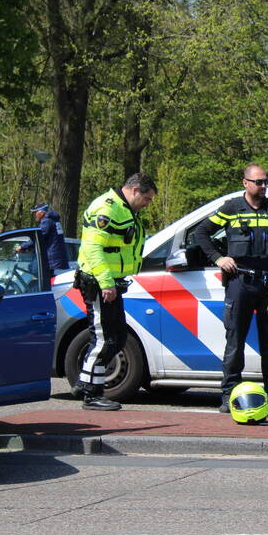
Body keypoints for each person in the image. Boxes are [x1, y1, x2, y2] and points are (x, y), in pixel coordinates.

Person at [194, 164, 268, 413]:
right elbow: (201, 233)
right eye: (258, 182)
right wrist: (218, 258)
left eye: (265, 181)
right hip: (239, 283)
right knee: (235, 341)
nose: (263, 186)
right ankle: (229, 395)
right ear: (245, 183)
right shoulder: (232, 208)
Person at [73, 173, 157, 411]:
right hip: (98, 282)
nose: (147, 204)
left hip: (110, 282)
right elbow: (92, 248)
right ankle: (91, 393)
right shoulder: (106, 209)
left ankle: (84, 383)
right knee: (104, 338)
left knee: (117, 337)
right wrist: (106, 282)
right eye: (147, 199)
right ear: (134, 191)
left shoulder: (125, 209)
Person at [16, 204, 69, 276]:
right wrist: (30, 248)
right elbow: (45, 240)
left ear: (42, 212)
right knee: (44, 277)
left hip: (50, 257)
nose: (34, 215)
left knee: (36, 272)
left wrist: (22, 246)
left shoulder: (47, 221)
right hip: (53, 256)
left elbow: (39, 237)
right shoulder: (53, 220)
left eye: (35, 212)